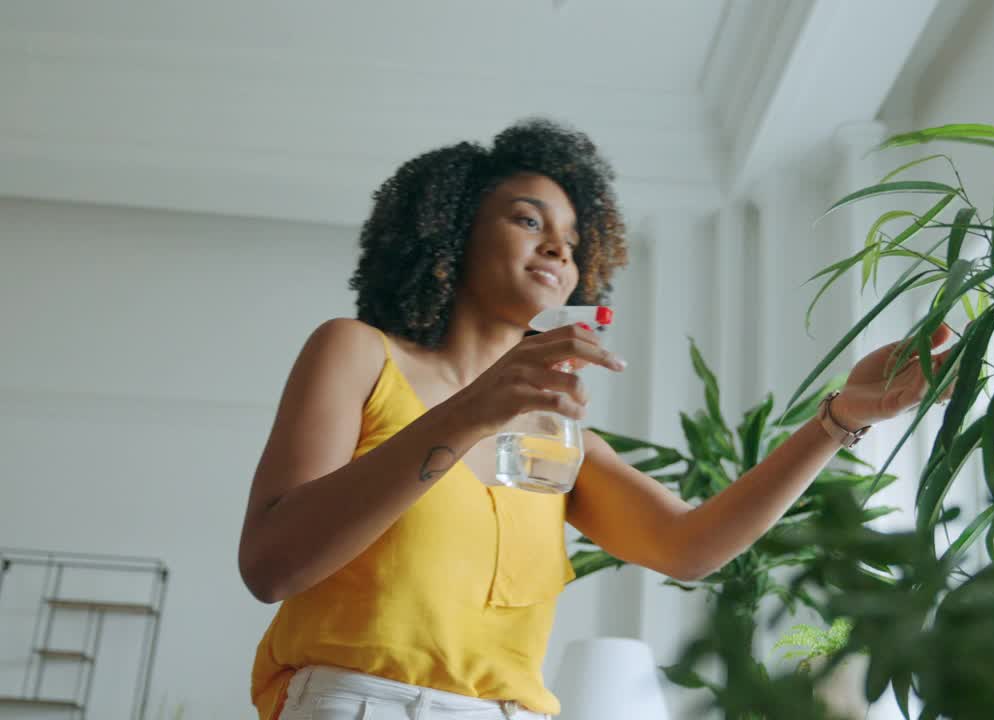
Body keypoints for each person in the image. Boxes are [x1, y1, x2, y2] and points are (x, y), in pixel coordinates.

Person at [238, 119, 953, 720]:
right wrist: (473, 412)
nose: (559, 247)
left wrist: (839, 418)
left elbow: (690, 547)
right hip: (362, 703)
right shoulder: (358, 353)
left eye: (574, 241)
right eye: (527, 220)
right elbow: (272, 567)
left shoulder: (554, 433)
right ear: (451, 235)